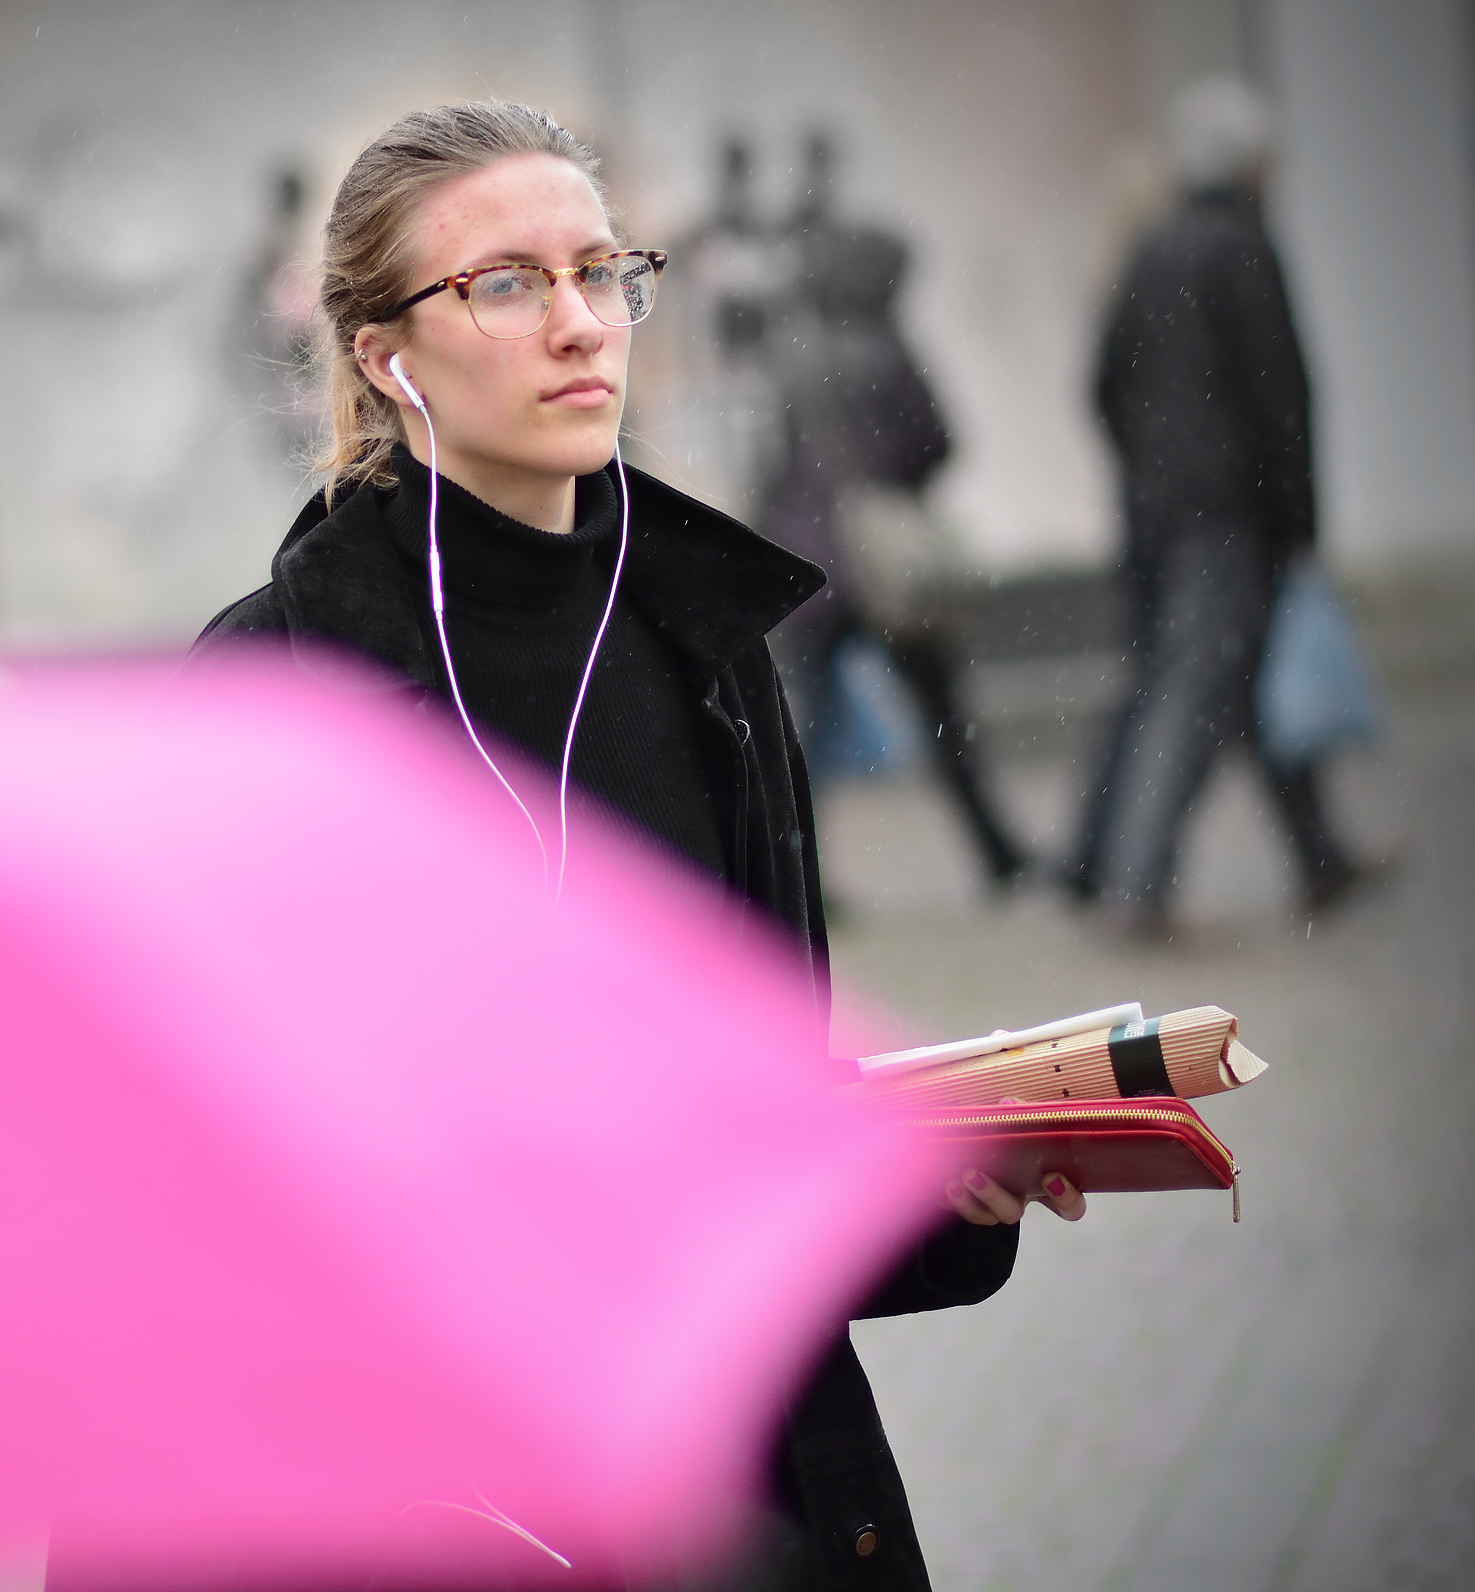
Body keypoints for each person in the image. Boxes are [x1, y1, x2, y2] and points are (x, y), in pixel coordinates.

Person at [192, 101, 1082, 1592]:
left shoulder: (708, 652)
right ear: (382, 354)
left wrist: (921, 1183)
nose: (579, 324)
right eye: (505, 283)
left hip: (727, 1480)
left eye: (602, 272)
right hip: (434, 1501)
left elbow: (752, 1110)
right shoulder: (278, 694)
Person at [1071, 76, 1366, 934]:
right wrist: (1299, 517)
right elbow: (1282, 392)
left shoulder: (1153, 247)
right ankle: (1137, 887)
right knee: (1200, 687)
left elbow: (1104, 384)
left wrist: (1151, 469)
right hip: (1230, 511)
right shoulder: (1243, 247)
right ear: (1249, 166)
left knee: (1233, 675)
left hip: (1164, 513)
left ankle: (1319, 855)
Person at [762, 203, 1030, 890]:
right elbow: (938, 443)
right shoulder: (890, 350)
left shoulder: (794, 357)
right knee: (946, 723)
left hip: (812, 572)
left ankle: (795, 877)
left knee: (806, 739)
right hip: (890, 569)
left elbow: (772, 470)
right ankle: (998, 854)